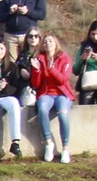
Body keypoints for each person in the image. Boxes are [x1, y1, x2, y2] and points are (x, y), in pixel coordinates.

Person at [29, 32, 75, 162]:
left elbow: (63, 80)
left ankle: (65, 148)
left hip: (62, 93)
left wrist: (52, 69)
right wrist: (37, 70)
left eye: (50, 41)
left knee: (63, 114)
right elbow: (36, 84)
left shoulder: (64, 58)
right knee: (42, 110)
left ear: (55, 44)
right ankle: (48, 143)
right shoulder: (40, 59)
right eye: (45, 42)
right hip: (46, 93)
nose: (47, 44)